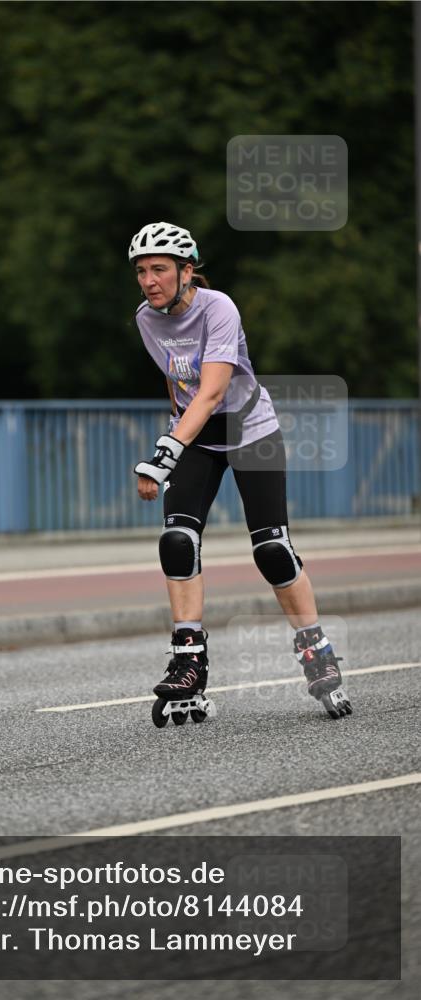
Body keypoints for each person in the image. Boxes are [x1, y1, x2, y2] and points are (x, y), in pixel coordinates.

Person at [130, 221, 351, 720]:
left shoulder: (219, 308)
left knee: (271, 549)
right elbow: (178, 384)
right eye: (142, 271)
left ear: (188, 271)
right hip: (199, 437)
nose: (149, 280)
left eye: (160, 269)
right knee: (177, 540)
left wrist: (164, 454)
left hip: (251, 430)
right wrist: (180, 443)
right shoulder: (146, 318)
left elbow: (211, 389)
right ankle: (188, 658)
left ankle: (316, 649)